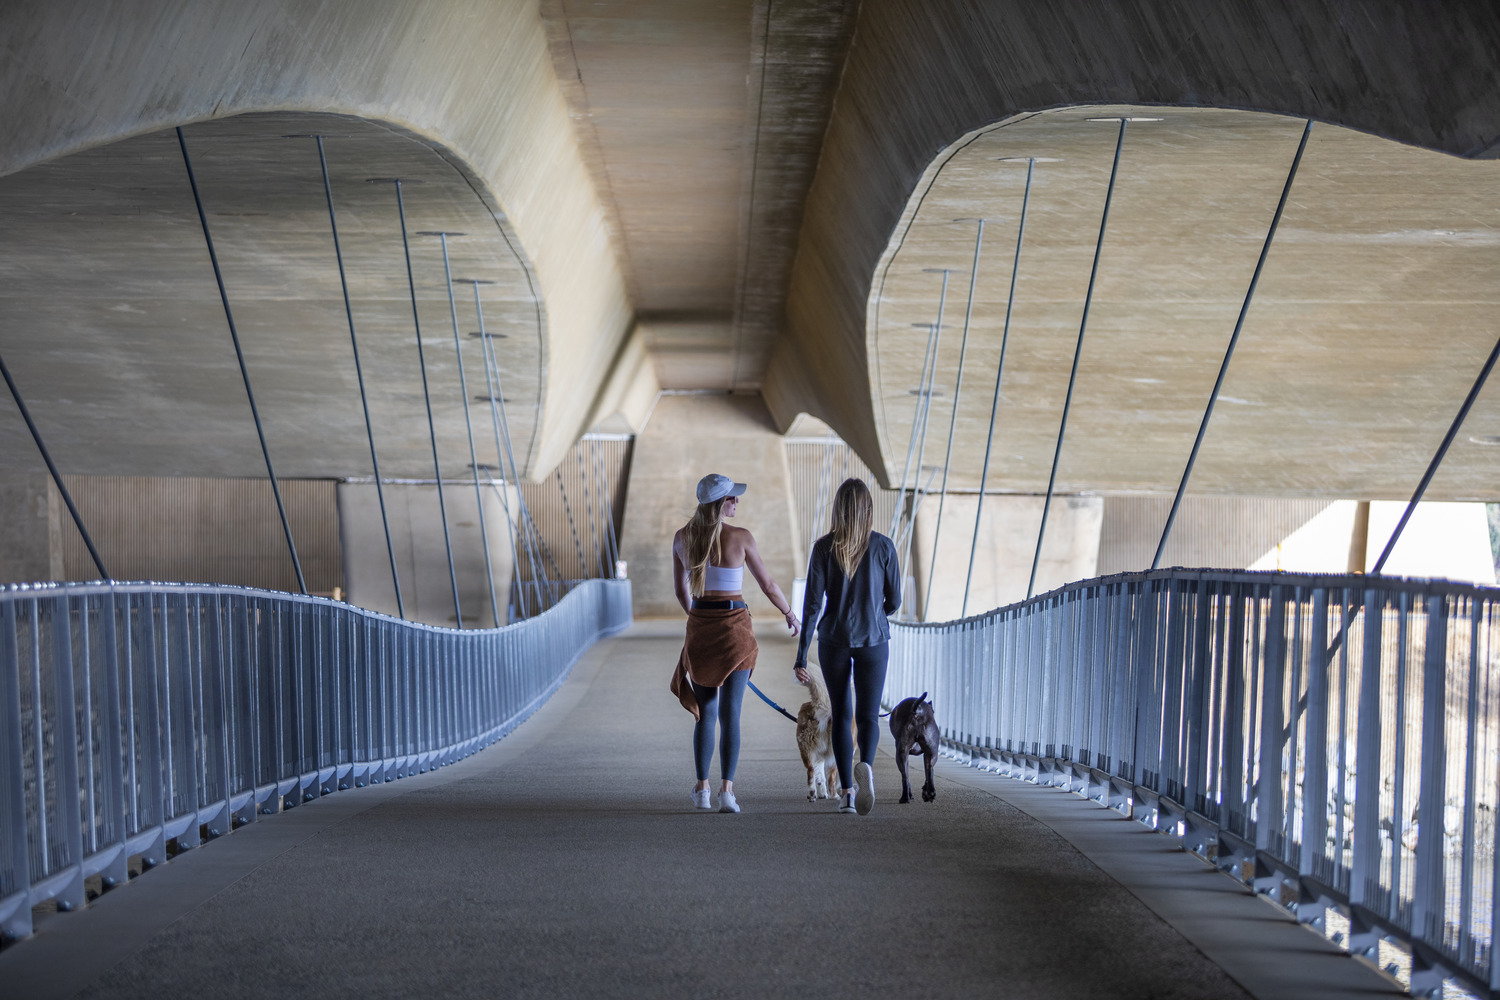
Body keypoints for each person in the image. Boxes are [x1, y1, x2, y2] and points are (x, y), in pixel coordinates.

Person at [669, 473, 800, 813]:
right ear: (719, 504)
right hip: (735, 631)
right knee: (731, 714)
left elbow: (681, 591)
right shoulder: (741, 538)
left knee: (705, 713)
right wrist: (789, 613)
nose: (737, 502)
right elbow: (769, 585)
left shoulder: (682, 538)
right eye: (732, 498)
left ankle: (702, 790)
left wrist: (696, 617)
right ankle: (727, 792)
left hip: (702, 628)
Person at [793, 478, 901, 815]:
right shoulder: (884, 547)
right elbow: (894, 601)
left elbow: (811, 606)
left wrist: (801, 655)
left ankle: (847, 794)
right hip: (874, 640)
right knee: (868, 716)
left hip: (834, 640)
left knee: (841, 714)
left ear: (838, 509)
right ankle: (865, 766)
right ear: (869, 509)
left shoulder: (824, 548)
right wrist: (873, 614)